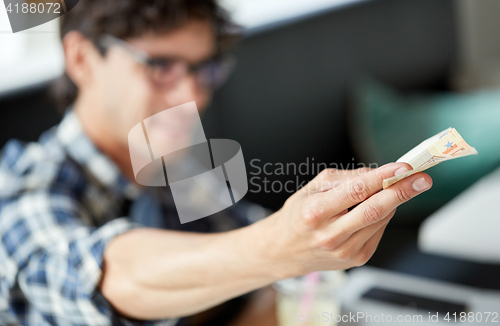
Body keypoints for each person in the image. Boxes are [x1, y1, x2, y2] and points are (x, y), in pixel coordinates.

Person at [0, 0, 433, 325]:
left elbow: (250, 264)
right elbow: (98, 276)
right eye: (160, 67)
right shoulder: (24, 187)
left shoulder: (181, 166)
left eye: (203, 70)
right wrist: (281, 245)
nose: (191, 96)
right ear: (81, 59)